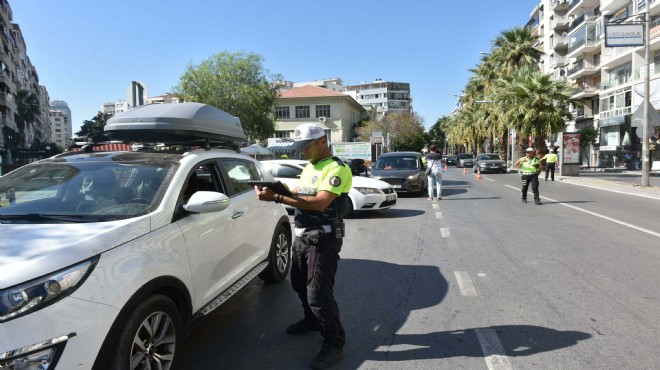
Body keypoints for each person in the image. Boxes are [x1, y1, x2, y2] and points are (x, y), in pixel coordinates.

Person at [254, 123, 351, 369]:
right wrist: (279, 189)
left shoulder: (336, 168)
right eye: (299, 147)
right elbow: (300, 192)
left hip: (323, 239)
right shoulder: (310, 166)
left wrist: (276, 197)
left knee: (318, 294)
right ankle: (312, 320)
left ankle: (334, 342)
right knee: (298, 284)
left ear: (322, 142)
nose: (301, 152)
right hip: (303, 237)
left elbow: (319, 203)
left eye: (305, 147)